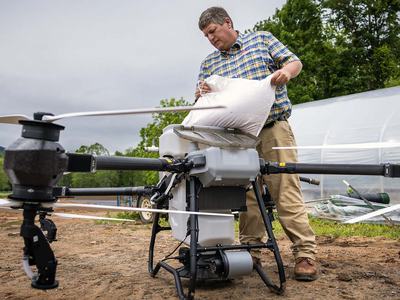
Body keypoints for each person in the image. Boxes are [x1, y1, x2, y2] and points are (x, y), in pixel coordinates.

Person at [195, 6, 318, 281]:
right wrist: (200, 94)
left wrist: (286, 72)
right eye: (206, 36)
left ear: (227, 23)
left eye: (212, 32)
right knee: (248, 195)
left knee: (285, 189)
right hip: (237, 137)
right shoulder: (209, 64)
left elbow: (294, 62)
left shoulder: (261, 40)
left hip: (274, 129)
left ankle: (305, 254)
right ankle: (251, 251)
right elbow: (204, 102)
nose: (210, 39)